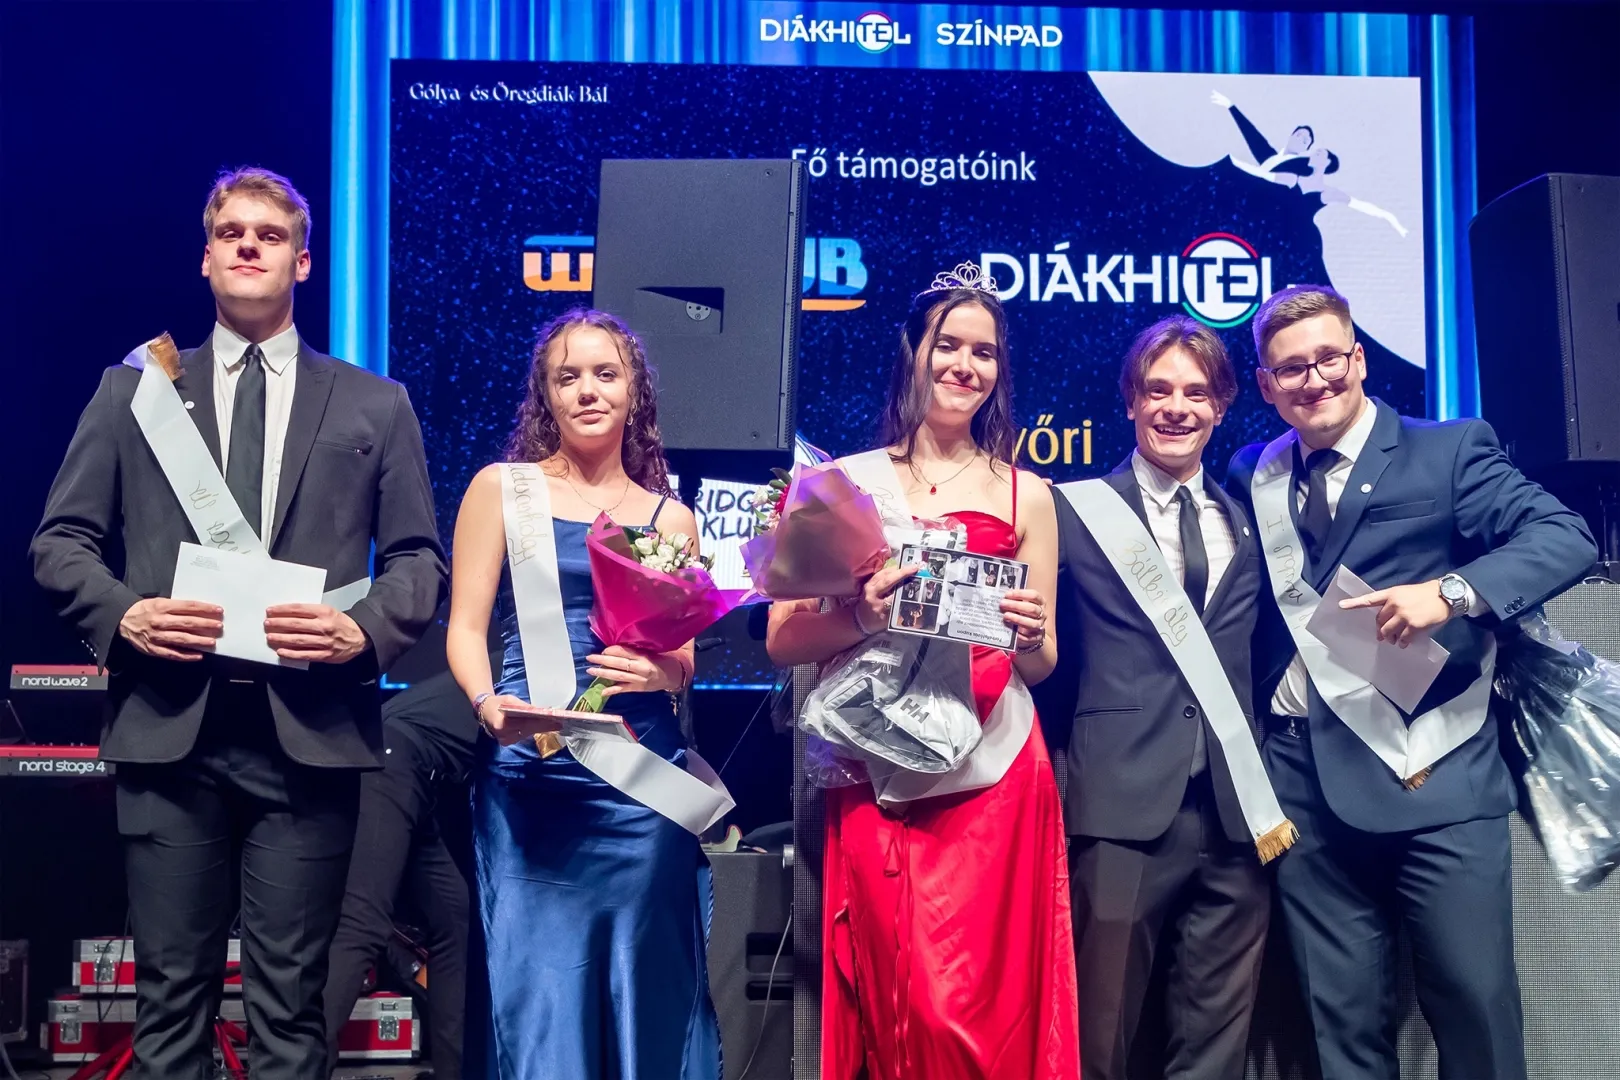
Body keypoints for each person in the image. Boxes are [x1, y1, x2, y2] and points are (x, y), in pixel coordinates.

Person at [31, 166, 446, 1079]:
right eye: (232, 233)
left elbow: (420, 560)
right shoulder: (131, 394)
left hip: (311, 735)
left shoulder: (376, 403)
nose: (250, 245)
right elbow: (60, 543)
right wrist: (125, 612)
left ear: (304, 260)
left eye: (270, 234)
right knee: (168, 1007)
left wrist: (366, 632)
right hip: (171, 731)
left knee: (292, 1015)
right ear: (207, 258)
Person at [1226, 285, 1597, 1080]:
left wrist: (1453, 593)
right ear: (1266, 384)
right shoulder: (1249, 472)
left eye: (1329, 358)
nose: (1314, 379)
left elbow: (1563, 537)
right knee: (1341, 1024)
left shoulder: (1449, 448)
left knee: (1474, 1006)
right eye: (1291, 369)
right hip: (1304, 787)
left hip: (1436, 772)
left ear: (1358, 359)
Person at [766, 264, 1081, 1080]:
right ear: (914, 352)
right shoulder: (843, 484)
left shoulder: (1028, 495)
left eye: (984, 353)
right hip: (876, 768)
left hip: (996, 770)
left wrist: (1029, 635)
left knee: (980, 1009)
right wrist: (866, 617)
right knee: (898, 987)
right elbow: (781, 641)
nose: (964, 366)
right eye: (949, 345)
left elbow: (1039, 665)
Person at [445, 308, 718, 1079]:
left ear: (635, 393)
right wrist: (483, 701)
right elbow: (464, 629)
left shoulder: (674, 518)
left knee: (646, 985)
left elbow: (684, 658)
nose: (588, 391)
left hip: (638, 779)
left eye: (606, 374)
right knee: (537, 989)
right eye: (569, 377)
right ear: (546, 397)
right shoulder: (502, 491)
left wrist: (663, 673)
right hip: (531, 767)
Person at [1038, 316, 1279, 1080]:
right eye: (1159, 390)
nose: (1177, 407)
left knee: (1217, 1046)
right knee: (1099, 1037)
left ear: (1221, 408)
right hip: (1119, 806)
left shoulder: (1251, 516)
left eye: (1196, 393)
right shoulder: (1071, 510)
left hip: (1238, 813)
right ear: (1131, 404)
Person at [323, 661, 480, 1080]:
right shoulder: (530, 666)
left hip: (419, 775)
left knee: (454, 918)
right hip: (390, 759)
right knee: (364, 920)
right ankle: (299, 1069)